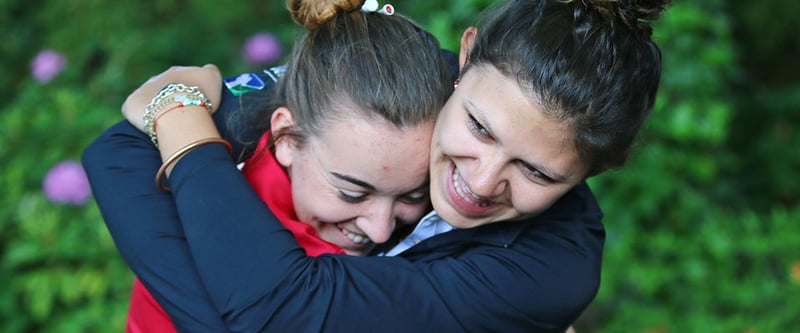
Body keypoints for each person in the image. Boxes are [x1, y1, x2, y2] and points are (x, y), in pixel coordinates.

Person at [83, 0, 670, 331]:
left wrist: (181, 115)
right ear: (461, 62)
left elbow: (284, 311)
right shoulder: (403, 86)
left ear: (596, 171)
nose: (482, 181)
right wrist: (179, 103)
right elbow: (120, 154)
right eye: (478, 127)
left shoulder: (549, 270)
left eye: (538, 173)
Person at [98, 0, 453, 332]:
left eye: (413, 194)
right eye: (351, 193)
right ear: (285, 137)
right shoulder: (199, 221)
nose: (379, 230)